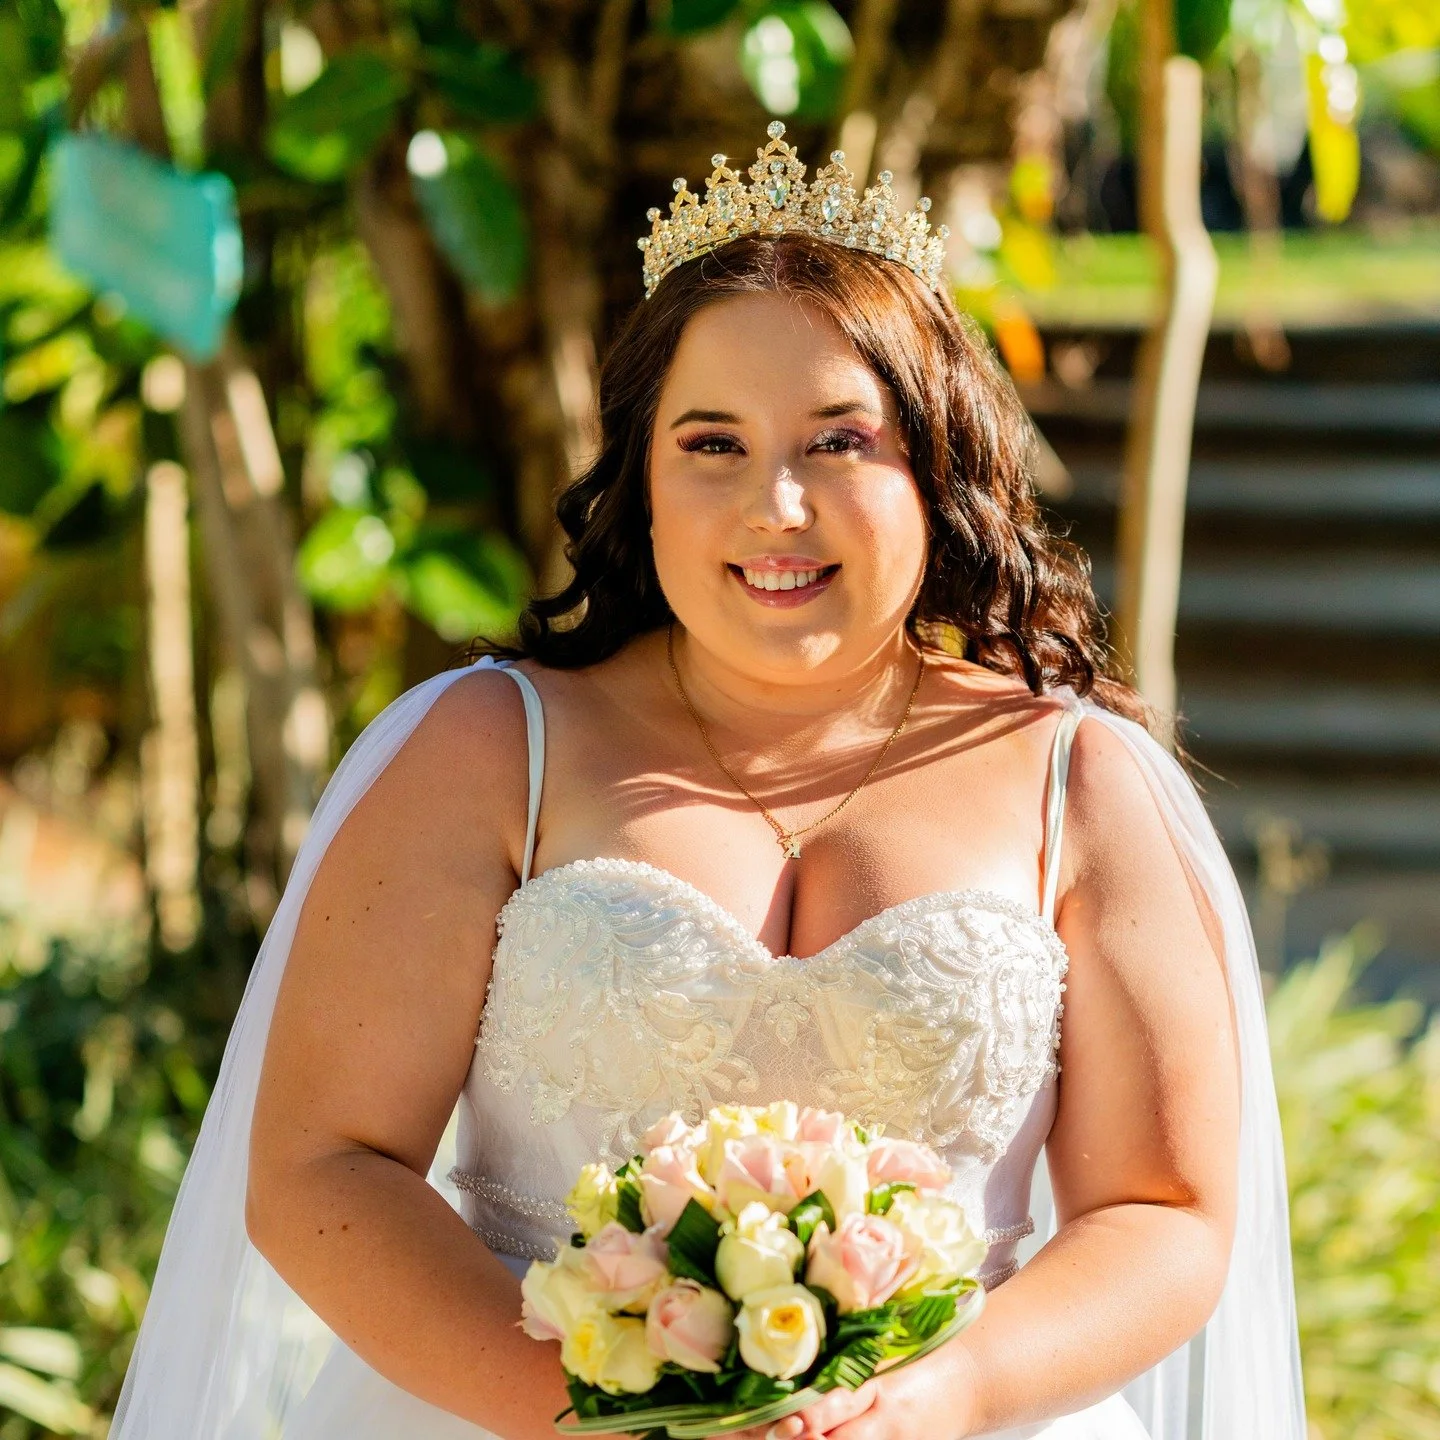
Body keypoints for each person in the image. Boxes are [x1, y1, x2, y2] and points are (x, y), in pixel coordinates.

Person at [111, 126, 1304, 1440]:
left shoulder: (1078, 781)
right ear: (642, 476)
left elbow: (1167, 1212)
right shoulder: (485, 751)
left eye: (839, 442)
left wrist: (942, 1394)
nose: (774, 506)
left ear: (937, 465)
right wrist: (596, 1413)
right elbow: (322, 1168)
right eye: (712, 443)